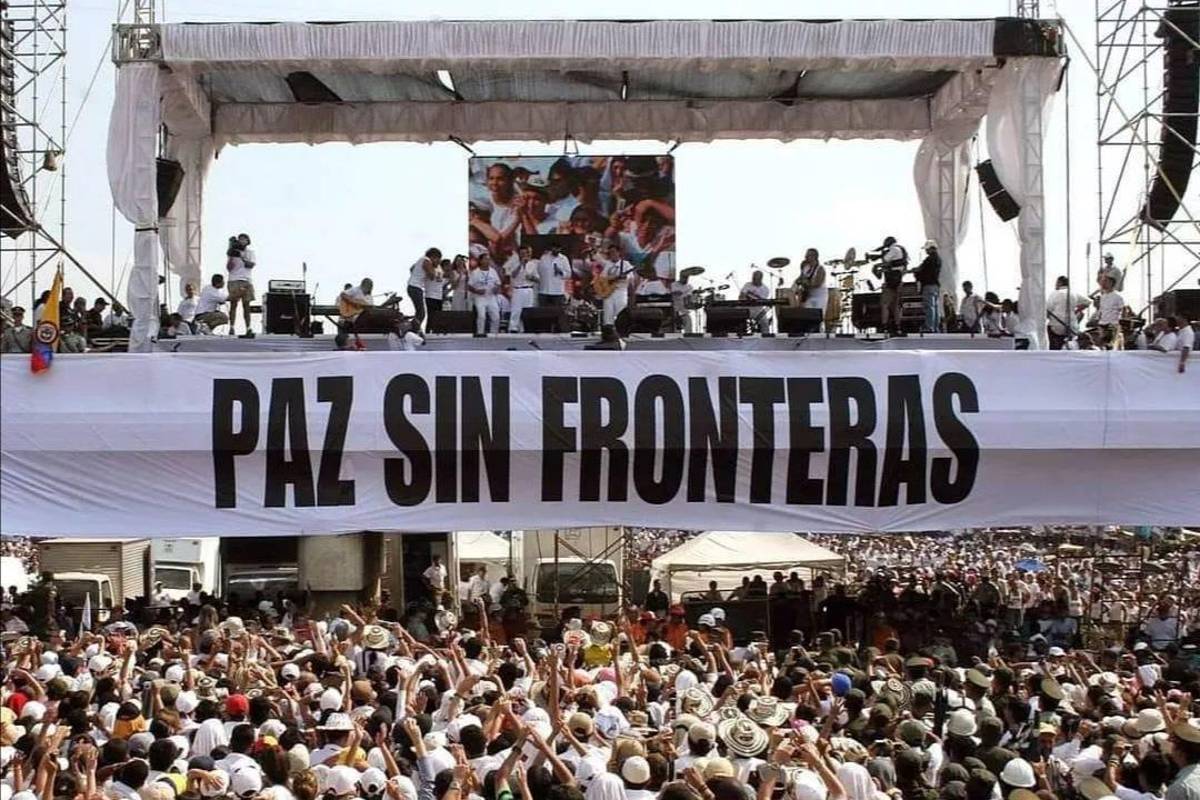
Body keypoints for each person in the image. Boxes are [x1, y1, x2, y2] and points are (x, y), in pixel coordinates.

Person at [870, 236, 908, 334]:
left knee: (885, 304)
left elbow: (886, 259)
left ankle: (884, 326)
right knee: (896, 305)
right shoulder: (901, 250)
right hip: (898, 279)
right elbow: (893, 265)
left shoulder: (894, 249)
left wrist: (878, 259)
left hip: (891, 280)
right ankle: (898, 327)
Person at [595, 242, 635, 327]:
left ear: (618, 252)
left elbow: (631, 278)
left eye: (613, 252)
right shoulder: (608, 264)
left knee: (620, 313)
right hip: (608, 292)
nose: (611, 254)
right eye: (610, 253)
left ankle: (620, 329)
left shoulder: (626, 264)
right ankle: (608, 329)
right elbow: (602, 279)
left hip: (620, 291)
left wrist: (625, 277)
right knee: (608, 314)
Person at [1046, 275, 1090, 350]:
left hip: (1056, 327)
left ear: (1059, 283)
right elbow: (1088, 302)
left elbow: (1048, 310)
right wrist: (1076, 310)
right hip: (1071, 326)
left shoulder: (1054, 294)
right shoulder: (1074, 293)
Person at [503, 245, 538, 333]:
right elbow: (513, 275)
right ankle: (513, 328)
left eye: (525, 253)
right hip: (518, 289)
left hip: (528, 289)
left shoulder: (532, 264)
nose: (524, 255)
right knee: (516, 310)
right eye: (522, 253)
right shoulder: (514, 263)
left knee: (527, 310)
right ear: (519, 254)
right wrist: (521, 265)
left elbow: (538, 279)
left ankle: (525, 328)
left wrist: (532, 278)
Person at [226, 233, 256, 337]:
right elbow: (229, 268)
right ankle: (232, 327)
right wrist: (231, 255)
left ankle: (248, 327)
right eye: (240, 239)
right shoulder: (233, 252)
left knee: (246, 305)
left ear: (248, 241)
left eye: (244, 239)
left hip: (246, 280)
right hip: (234, 279)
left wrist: (241, 256)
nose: (241, 241)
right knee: (233, 304)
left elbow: (250, 265)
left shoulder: (250, 252)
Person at [407, 247, 441, 333]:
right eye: (438, 259)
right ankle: (412, 330)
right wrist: (435, 269)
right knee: (421, 313)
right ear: (433, 256)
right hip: (416, 288)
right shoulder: (427, 260)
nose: (438, 262)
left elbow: (411, 268)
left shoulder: (421, 260)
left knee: (419, 312)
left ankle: (412, 329)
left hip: (413, 287)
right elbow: (432, 276)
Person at [467, 253, 502, 335]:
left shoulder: (493, 271)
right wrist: (476, 291)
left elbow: (498, 283)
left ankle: (494, 334)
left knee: (496, 317)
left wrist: (496, 288)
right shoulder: (475, 272)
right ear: (481, 261)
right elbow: (469, 286)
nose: (488, 261)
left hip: (491, 297)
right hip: (480, 297)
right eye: (485, 259)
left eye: (489, 259)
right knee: (482, 316)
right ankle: (480, 333)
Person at [913, 240, 941, 333]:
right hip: (935, 285)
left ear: (931, 248)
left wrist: (914, 272)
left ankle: (929, 326)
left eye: (927, 249)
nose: (926, 251)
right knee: (935, 307)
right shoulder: (938, 259)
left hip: (928, 285)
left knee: (929, 307)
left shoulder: (929, 259)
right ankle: (935, 327)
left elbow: (921, 270)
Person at [1094, 273, 1124, 349]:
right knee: (1103, 345)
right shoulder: (1102, 297)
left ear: (1111, 283)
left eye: (1106, 281)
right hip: (1102, 324)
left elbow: (1122, 310)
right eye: (1102, 281)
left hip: (1113, 324)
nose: (1103, 283)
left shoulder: (1118, 297)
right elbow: (1100, 310)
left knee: (1112, 345)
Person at [795, 248, 828, 315]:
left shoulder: (820, 269)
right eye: (806, 255)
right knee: (807, 315)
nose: (805, 257)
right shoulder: (806, 267)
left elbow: (817, 284)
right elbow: (800, 278)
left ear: (814, 257)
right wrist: (795, 286)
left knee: (816, 315)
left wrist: (805, 283)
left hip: (819, 297)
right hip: (809, 296)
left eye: (808, 255)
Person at [538, 242, 570, 308]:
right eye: (554, 248)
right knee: (543, 311)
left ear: (560, 249)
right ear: (551, 248)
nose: (556, 250)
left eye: (558, 248)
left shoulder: (564, 259)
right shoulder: (544, 257)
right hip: (544, 290)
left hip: (557, 291)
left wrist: (560, 272)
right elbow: (539, 271)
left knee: (557, 311)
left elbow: (568, 274)